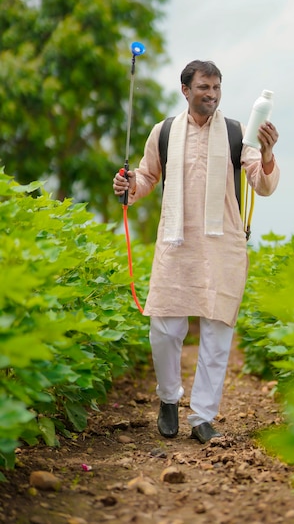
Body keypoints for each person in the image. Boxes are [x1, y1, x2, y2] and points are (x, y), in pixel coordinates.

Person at [113, 60, 279, 444]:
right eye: (204, 87)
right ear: (185, 90)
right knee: (165, 329)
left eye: (217, 87)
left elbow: (262, 183)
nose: (212, 94)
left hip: (223, 247)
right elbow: (147, 176)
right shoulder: (165, 131)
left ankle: (203, 416)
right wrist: (128, 184)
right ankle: (169, 398)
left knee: (218, 333)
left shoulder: (240, 131)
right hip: (176, 242)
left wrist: (267, 155)